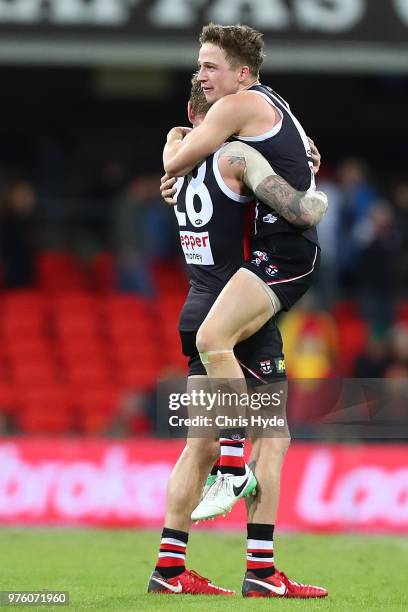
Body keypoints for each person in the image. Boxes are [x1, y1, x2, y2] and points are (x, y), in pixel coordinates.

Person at [162, 24, 328, 598]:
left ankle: (169, 568)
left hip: (205, 296)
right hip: (242, 298)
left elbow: (179, 157)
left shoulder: (192, 161)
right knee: (270, 438)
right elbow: (302, 207)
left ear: (243, 76)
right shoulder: (233, 153)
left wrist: (172, 153)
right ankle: (258, 564)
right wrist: (311, 191)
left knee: (198, 443)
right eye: (201, 68)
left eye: (212, 64)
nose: (204, 74)